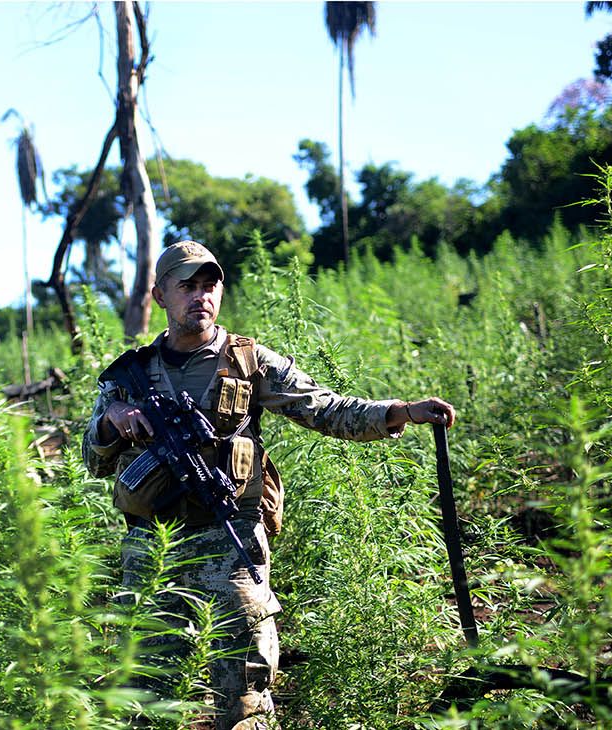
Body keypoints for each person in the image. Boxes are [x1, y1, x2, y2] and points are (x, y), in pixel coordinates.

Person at [81, 241, 455, 730]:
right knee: (144, 696)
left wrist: (399, 412)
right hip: (152, 549)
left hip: (230, 542)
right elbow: (93, 459)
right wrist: (113, 420)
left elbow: (324, 407)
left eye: (209, 285)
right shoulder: (129, 374)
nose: (201, 297)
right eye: (186, 286)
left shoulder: (249, 360)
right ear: (159, 296)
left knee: (248, 691)